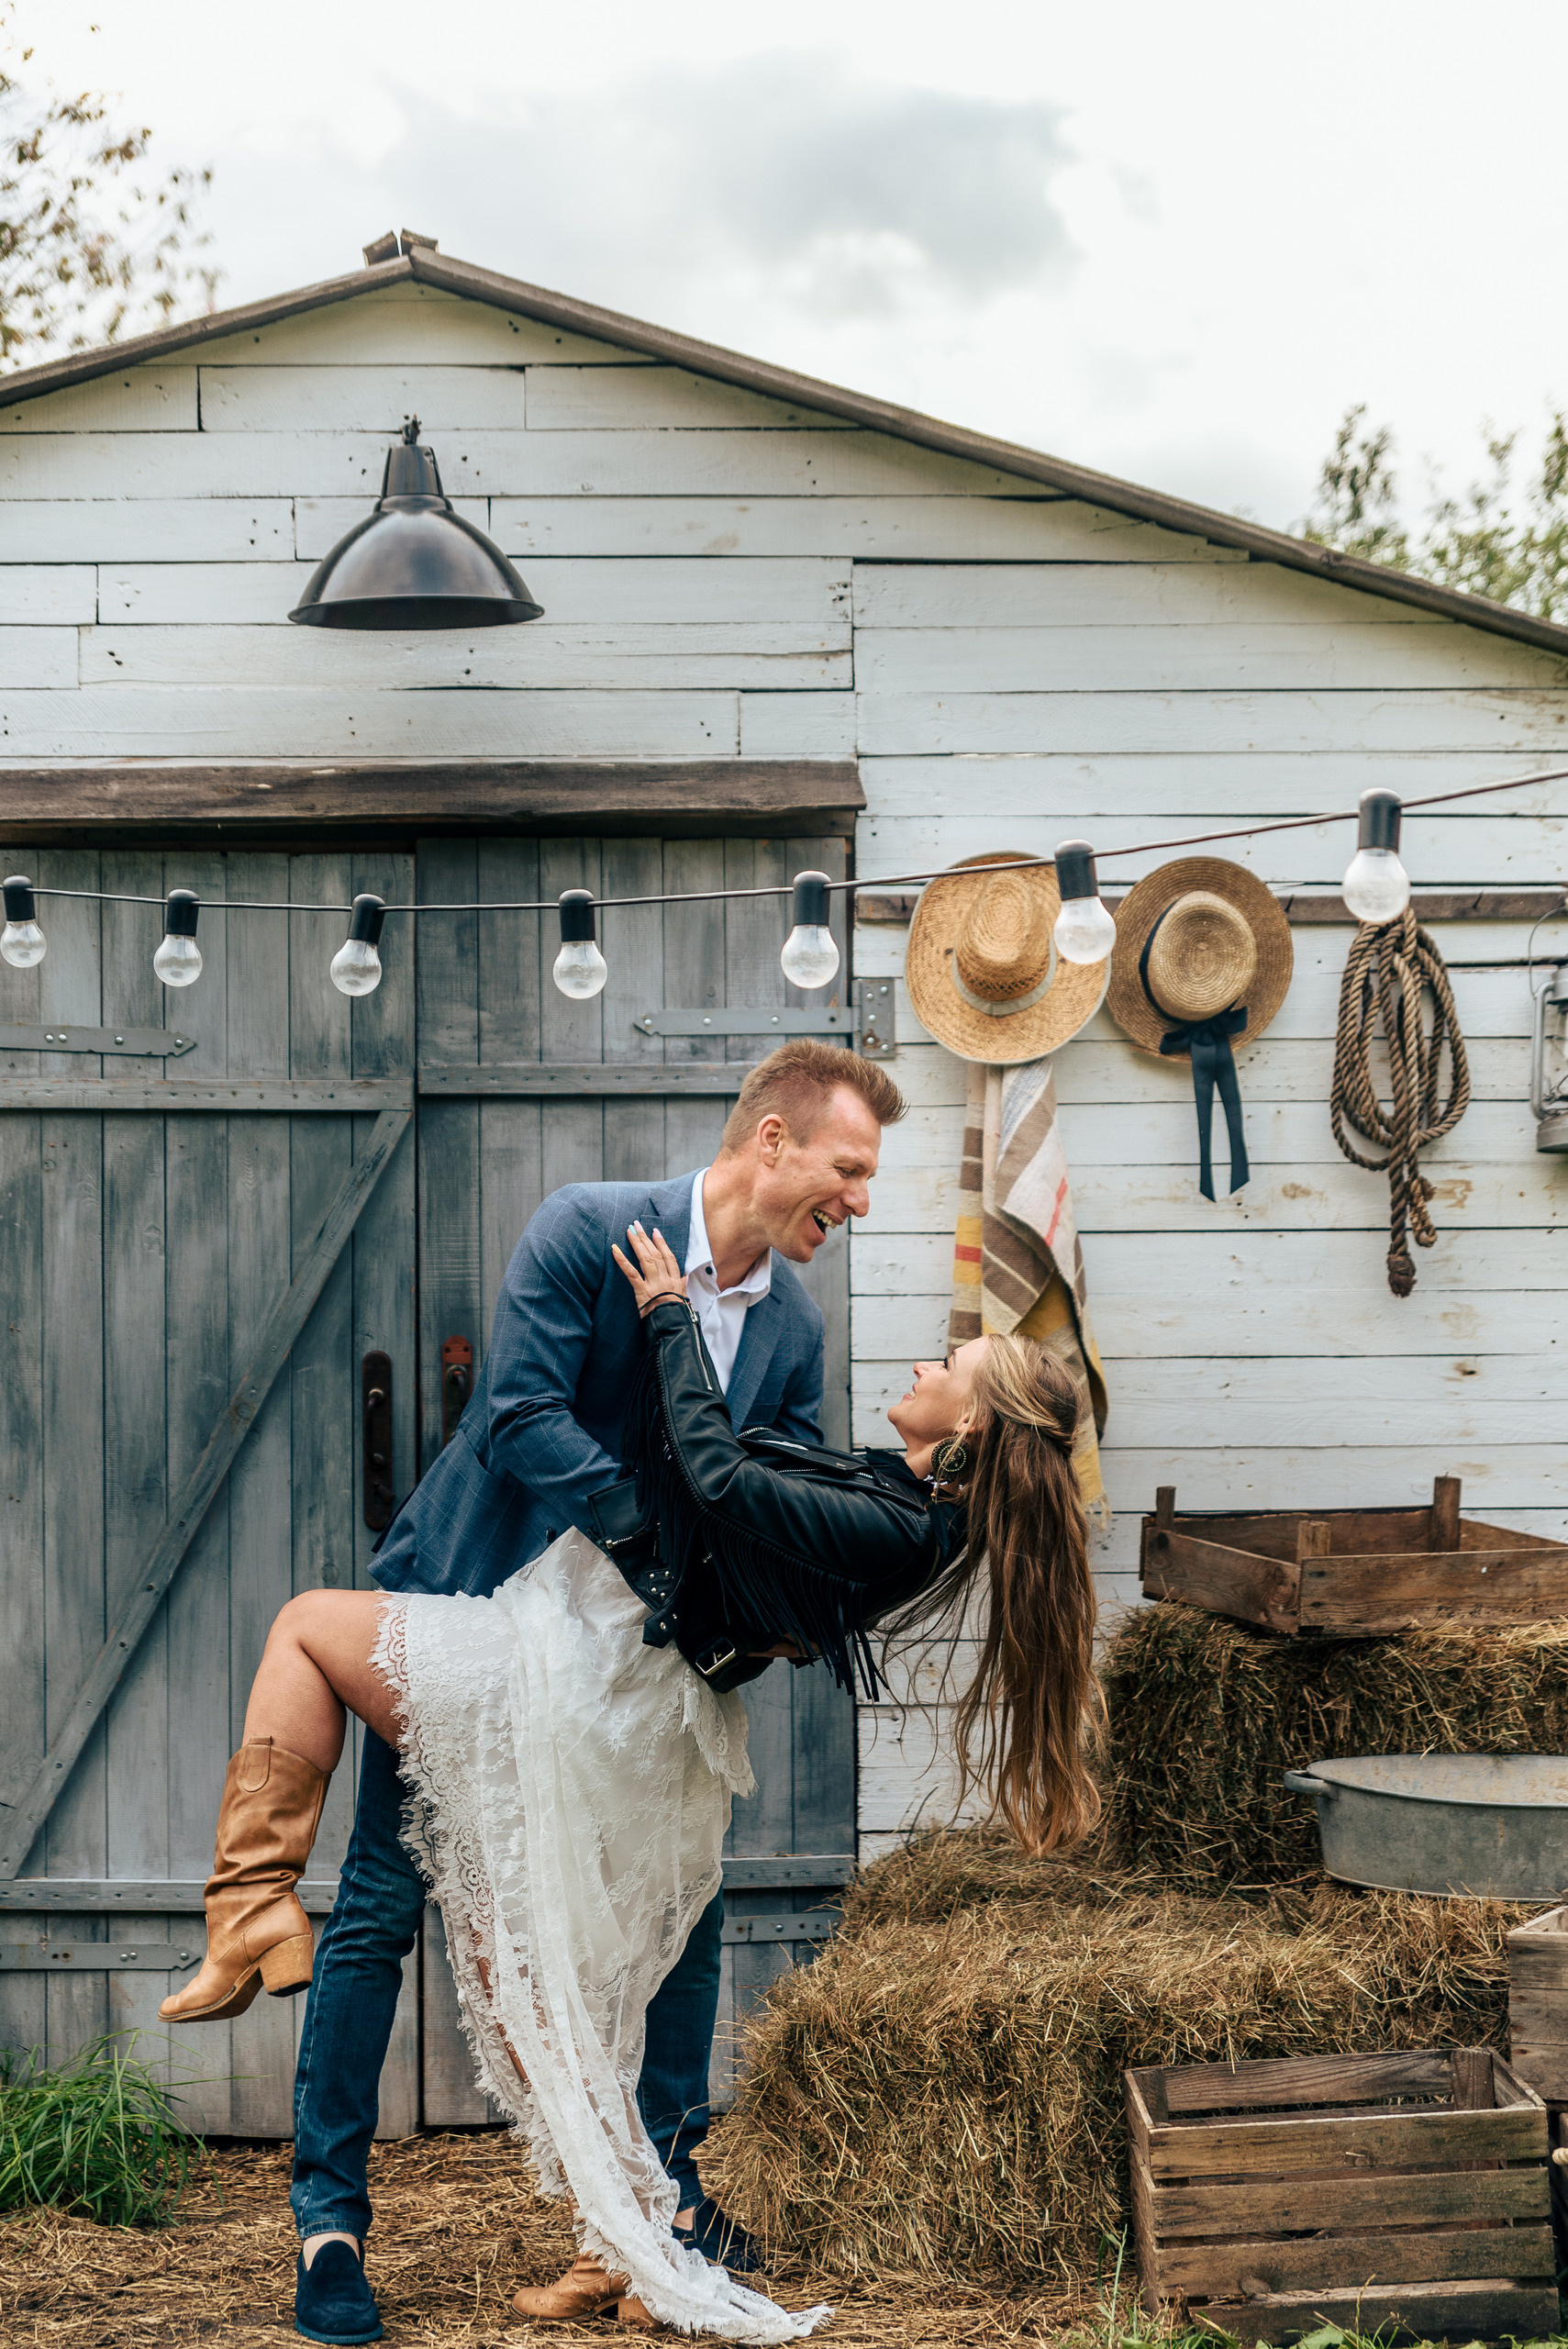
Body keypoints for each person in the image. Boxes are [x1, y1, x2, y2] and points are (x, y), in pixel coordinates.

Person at [161, 1226, 1102, 2337]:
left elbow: (717, 1474)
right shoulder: (899, 1499)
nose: (922, 1369)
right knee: (548, 1981)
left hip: (591, 1682)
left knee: (312, 1639)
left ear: (975, 1426)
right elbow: (749, 1530)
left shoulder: (895, 1519)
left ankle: (253, 1904)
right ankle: (620, 2239)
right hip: (600, 1662)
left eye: (949, 1371)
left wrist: (667, 1315)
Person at [157, 1040, 902, 2349]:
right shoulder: (589, 1229)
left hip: (638, 1669)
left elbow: (768, 1491)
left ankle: (658, 2199)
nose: (857, 1201)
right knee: (384, 1909)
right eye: (846, 1169)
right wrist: (668, 1547)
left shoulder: (792, 1327)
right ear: (771, 1143)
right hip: (469, 1609)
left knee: (684, 1912)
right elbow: (517, 1415)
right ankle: (329, 2226)